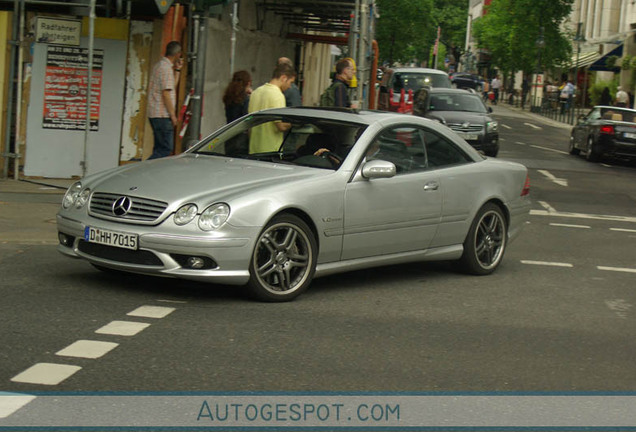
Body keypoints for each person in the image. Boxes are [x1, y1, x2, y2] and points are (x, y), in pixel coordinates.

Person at [247, 63, 296, 154]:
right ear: (284, 78)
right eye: (290, 82)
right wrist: (294, 122)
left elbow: (249, 124)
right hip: (270, 151)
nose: (290, 86)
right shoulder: (277, 95)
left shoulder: (256, 92)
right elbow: (281, 126)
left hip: (253, 149)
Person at [147, 41, 183, 159]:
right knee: (165, 148)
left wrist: (177, 70)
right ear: (177, 54)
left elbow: (171, 87)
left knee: (159, 148)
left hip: (155, 113)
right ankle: (144, 170)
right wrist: (173, 115)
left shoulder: (159, 66)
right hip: (162, 114)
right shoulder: (166, 68)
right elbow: (166, 93)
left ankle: (150, 172)